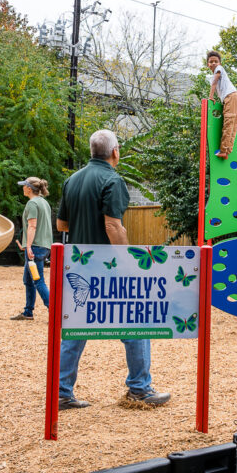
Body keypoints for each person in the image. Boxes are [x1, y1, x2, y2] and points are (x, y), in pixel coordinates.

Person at [55, 129, 171, 410]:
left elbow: (62, 226)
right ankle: (140, 389)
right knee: (137, 324)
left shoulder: (72, 180)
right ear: (115, 152)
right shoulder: (112, 180)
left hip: (79, 264)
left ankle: (61, 392)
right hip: (107, 265)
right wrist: (127, 261)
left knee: (74, 330)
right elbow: (112, 226)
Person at [11, 177, 52, 321]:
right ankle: (28, 312)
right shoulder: (44, 203)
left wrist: (28, 245)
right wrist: (26, 244)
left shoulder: (32, 203)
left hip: (35, 247)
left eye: (24, 186)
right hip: (44, 246)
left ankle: (54, 311)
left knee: (38, 280)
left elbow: (33, 226)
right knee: (28, 280)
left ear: (29, 188)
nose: (22, 188)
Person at [206, 50, 237, 159]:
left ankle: (223, 150)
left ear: (219, 63)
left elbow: (214, 82)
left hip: (231, 96)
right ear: (208, 64)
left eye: (216, 61)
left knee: (228, 123)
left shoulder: (219, 69)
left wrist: (210, 96)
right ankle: (227, 151)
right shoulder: (215, 73)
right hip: (236, 96)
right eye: (211, 62)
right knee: (234, 124)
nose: (213, 63)